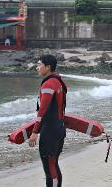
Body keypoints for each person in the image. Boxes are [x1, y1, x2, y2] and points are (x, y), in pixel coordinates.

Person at [29, 54, 68, 187]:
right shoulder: (58, 81)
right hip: (59, 129)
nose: (37, 67)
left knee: (49, 169)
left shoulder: (49, 83)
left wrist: (35, 131)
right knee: (54, 165)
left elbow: (43, 110)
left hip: (50, 132)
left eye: (40, 65)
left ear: (48, 67)